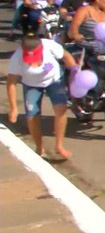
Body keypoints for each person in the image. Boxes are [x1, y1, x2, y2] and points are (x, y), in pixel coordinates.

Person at [6, 25, 77, 160]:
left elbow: (66, 56)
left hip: (54, 80)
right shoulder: (17, 58)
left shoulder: (49, 46)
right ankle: (39, 147)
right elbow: (11, 83)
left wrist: (74, 71)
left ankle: (59, 145)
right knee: (32, 116)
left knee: (61, 109)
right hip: (31, 85)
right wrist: (13, 108)